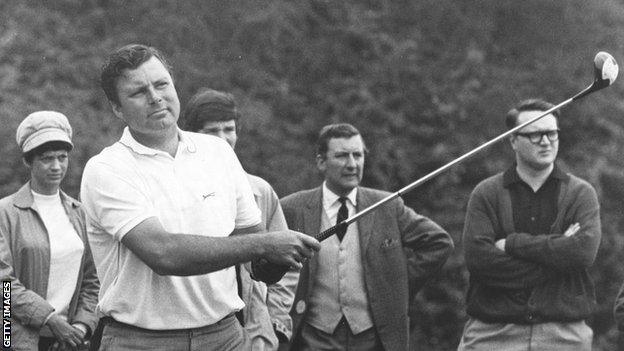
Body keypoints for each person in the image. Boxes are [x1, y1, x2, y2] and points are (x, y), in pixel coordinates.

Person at [79, 44, 319, 351]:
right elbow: (163, 254)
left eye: (162, 84)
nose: (155, 97)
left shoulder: (217, 151)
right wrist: (267, 244)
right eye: (138, 92)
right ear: (116, 108)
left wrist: (276, 258)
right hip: (141, 342)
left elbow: (251, 249)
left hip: (227, 336)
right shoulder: (107, 169)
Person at [279, 123, 454, 351]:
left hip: (372, 339)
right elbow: (266, 265)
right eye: (342, 156)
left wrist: (394, 285)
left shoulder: (387, 205)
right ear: (321, 162)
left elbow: (438, 243)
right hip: (312, 338)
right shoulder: (292, 208)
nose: (352, 164)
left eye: (358, 155)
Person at [458, 99, 601, 351]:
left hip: (564, 336)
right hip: (493, 335)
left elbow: (581, 253)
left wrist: (512, 244)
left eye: (552, 133)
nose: (546, 142)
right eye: (535, 135)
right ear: (513, 140)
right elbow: (480, 261)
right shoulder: (486, 193)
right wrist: (558, 255)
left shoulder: (581, 193)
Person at [181, 88, 299, 350]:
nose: (223, 139)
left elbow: (286, 264)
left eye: (229, 129)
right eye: (212, 131)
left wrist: (277, 321)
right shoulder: (178, 189)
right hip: (198, 327)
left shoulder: (260, 191)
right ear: (191, 135)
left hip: (254, 329)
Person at [0, 111, 99, 350]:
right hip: (14, 339)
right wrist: (49, 319)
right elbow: (3, 285)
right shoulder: (5, 212)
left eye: (62, 157)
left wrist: (80, 329)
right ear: (28, 161)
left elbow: (93, 281)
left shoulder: (80, 213)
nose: (56, 166)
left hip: (68, 341)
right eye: (46, 158)